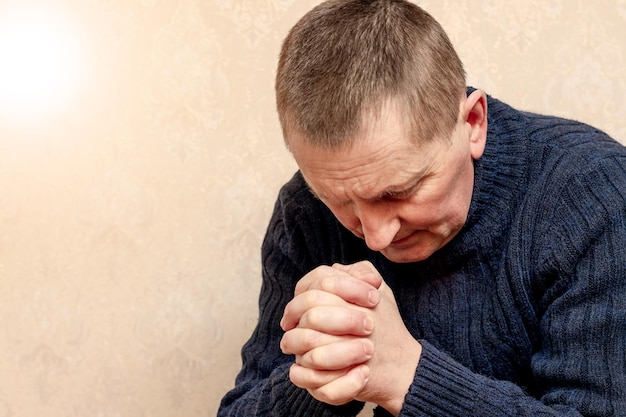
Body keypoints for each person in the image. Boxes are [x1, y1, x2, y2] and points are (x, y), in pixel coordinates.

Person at [218, 0, 626, 415]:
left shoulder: (594, 193)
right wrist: (324, 370)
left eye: (398, 192)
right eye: (338, 201)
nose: (376, 237)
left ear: (472, 124)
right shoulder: (305, 210)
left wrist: (405, 374)